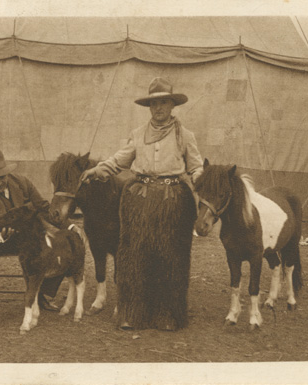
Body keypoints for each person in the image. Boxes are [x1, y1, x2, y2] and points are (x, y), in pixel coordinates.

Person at [81, 77, 203, 331]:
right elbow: (119, 161)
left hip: (173, 202)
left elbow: (196, 167)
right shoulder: (137, 135)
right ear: (149, 107)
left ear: (172, 105)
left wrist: (202, 177)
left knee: (169, 259)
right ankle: (132, 314)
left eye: (163, 103)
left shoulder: (185, 136)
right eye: (154, 104)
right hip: (140, 200)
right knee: (135, 257)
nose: (158, 108)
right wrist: (97, 170)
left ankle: (167, 315)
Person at [0, 149, 66, 333]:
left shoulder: (22, 183)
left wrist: (65, 225)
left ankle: (43, 293)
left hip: (25, 238)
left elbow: (42, 206)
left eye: (2, 177)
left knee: (62, 240)